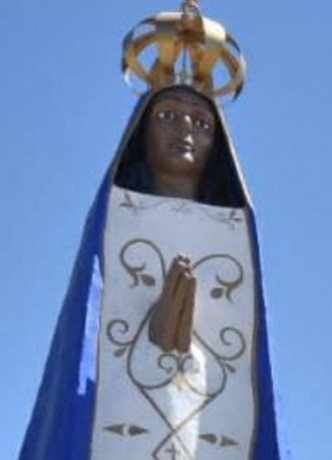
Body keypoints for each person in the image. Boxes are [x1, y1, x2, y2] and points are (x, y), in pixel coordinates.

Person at [21, 14, 282, 454]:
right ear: (142, 132)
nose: (185, 130)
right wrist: (155, 333)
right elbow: (98, 329)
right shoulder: (115, 219)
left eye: (201, 122)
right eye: (169, 116)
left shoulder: (234, 230)